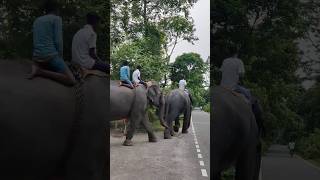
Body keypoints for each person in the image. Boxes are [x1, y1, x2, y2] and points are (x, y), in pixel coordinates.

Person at [28, 0, 76, 86]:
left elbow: (35, 40)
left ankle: (36, 66)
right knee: (71, 80)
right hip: (50, 56)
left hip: (36, 57)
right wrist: (61, 58)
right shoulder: (56, 19)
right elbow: (58, 41)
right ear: (56, 10)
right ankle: (40, 71)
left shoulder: (37, 20)